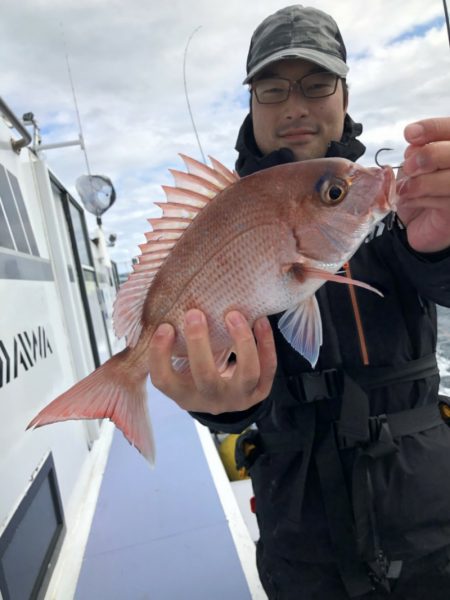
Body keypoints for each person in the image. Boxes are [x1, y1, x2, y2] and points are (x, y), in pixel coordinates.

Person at [148, 5, 450, 599]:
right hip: (300, 537)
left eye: (317, 84)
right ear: (252, 104)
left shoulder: (396, 214)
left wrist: (443, 245)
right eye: (272, 87)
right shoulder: (219, 217)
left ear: (344, 95)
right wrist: (218, 406)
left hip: (432, 524)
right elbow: (219, 378)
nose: (295, 105)